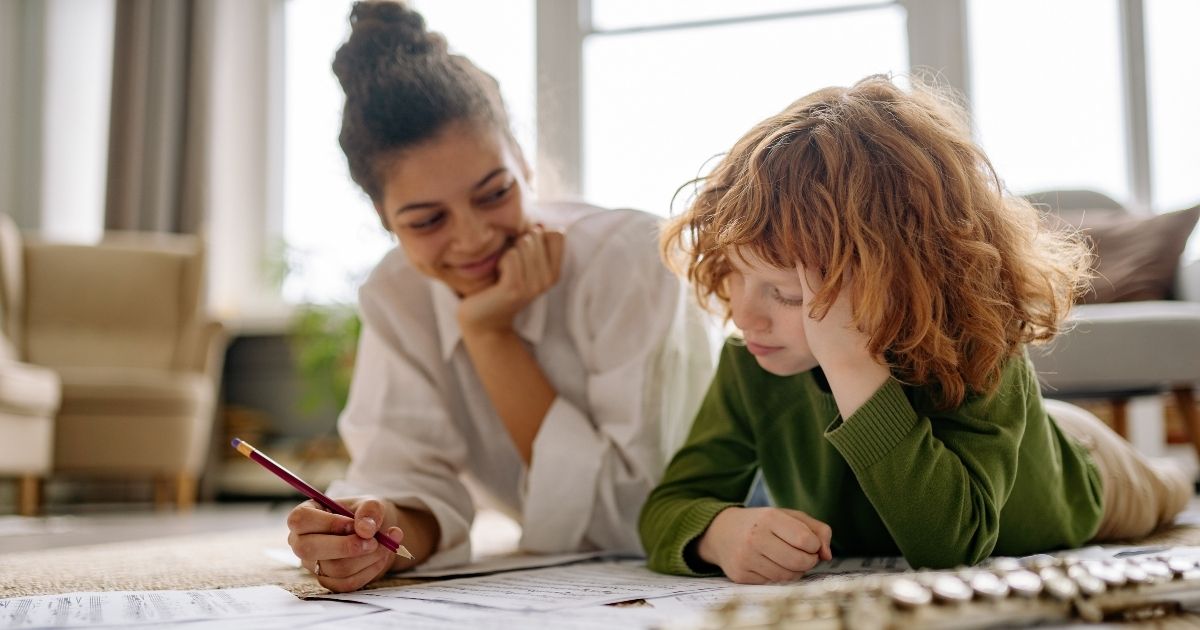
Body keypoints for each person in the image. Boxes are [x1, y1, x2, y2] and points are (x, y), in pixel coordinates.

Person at [639, 75, 1192, 584]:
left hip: (1085, 471)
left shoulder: (983, 347)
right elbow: (669, 507)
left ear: (896, 280)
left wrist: (851, 364)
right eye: (735, 275)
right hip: (1026, 434)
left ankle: (1170, 473)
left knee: (1165, 491)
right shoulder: (750, 361)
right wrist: (717, 533)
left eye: (786, 293)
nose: (743, 315)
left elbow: (951, 545)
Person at [285, 0, 718, 593]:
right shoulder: (395, 292)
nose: (473, 238)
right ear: (385, 220)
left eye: (493, 194)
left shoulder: (630, 261)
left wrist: (489, 335)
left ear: (524, 164)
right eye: (426, 220)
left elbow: (638, 516)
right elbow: (406, 474)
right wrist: (376, 534)